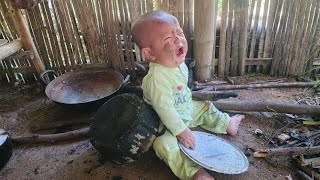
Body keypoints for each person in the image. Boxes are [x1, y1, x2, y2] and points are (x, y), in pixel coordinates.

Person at [131, 10, 245, 180]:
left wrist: (187, 114)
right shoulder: (157, 78)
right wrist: (181, 131)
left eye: (179, 33)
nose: (178, 40)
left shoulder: (180, 64)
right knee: (163, 145)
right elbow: (164, 109)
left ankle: (226, 123)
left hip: (185, 109)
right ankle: (194, 172)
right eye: (168, 39)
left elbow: (183, 91)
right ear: (150, 54)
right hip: (164, 124)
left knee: (205, 107)